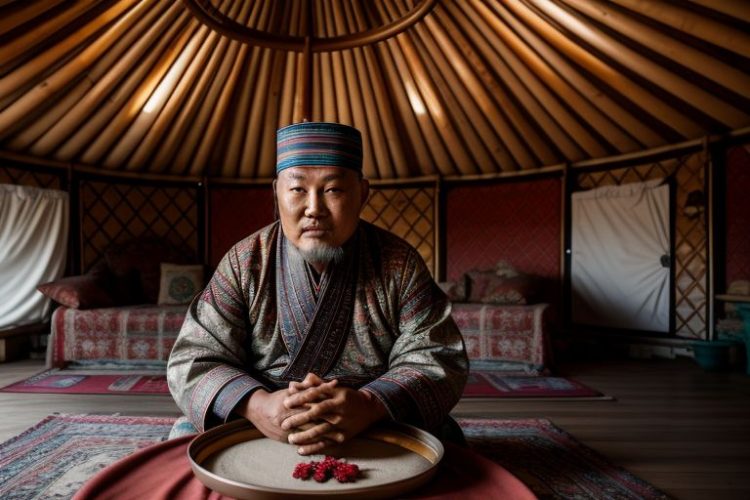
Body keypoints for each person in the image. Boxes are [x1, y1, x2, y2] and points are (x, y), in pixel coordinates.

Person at [167, 122, 468, 455]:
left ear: (363, 193)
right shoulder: (244, 262)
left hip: (371, 418)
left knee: (447, 441)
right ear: (276, 192)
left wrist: (369, 404)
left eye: (333, 190)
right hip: (265, 419)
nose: (314, 208)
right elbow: (193, 358)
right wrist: (258, 405)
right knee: (183, 442)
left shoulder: (400, 264)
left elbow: (437, 356)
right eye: (297, 190)